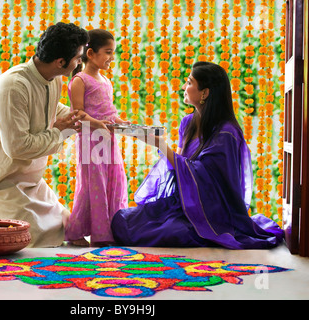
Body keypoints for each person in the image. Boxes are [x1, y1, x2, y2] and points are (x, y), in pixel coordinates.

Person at [0, 22, 89, 247]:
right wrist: (59, 131)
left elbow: (50, 108)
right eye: (78, 58)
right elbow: (17, 147)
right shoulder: (13, 87)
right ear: (61, 62)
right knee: (30, 238)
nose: (80, 63)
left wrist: (81, 117)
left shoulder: (53, 78)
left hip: (31, 180)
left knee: (71, 227)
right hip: (1, 184)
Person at [111, 61, 284, 249]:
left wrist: (161, 145)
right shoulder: (187, 123)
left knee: (169, 232)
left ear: (205, 93)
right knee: (122, 221)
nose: (184, 87)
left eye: (189, 82)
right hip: (184, 203)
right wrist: (157, 142)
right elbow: (180, 168)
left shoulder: (227, 133)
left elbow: (205, 178)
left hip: (211, 212)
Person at [65, 29, 128, 247]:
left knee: (114, 181)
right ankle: (77, 232)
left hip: (108, 140)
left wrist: (120, 122)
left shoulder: (106, 81)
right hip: (90, 141)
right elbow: (78, 113)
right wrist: (98, 124)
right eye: (108, 52)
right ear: (90, 53)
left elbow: (108, 113)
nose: (112, 57)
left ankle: (109, 231)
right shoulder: (80, 80)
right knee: (93, 186)